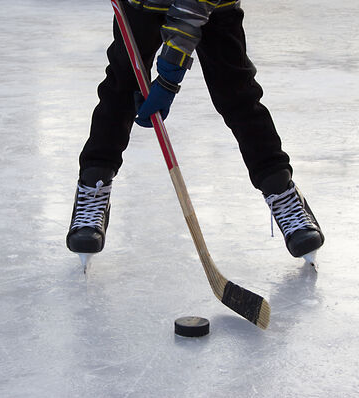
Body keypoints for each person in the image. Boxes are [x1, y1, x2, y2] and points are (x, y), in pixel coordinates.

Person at [66, 0, 324, 261]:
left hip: (214, 7)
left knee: (237, 94)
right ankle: (94, 184)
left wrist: (169, 76)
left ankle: (280, 190)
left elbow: (191, 13)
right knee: (121, 90)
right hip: (142, 5)